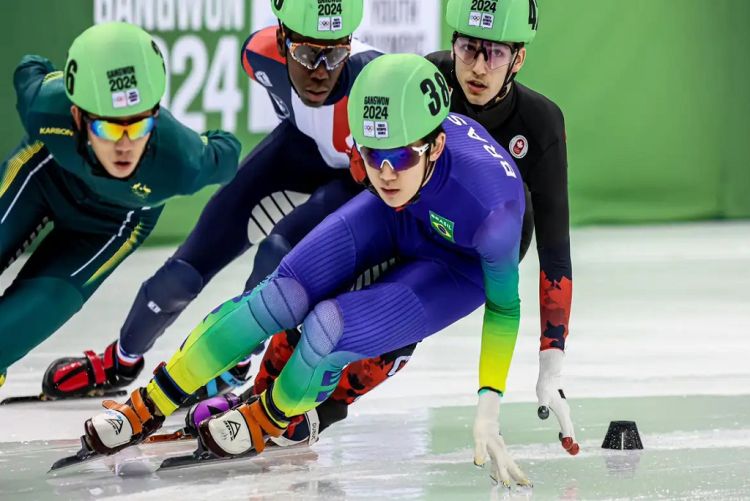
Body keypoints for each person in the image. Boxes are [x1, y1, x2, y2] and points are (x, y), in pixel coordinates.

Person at [81, 53, 533, 487]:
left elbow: (505, 310)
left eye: (399, 158)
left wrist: (488, 408)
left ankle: (267, 418)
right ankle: (145, 405)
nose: (386, 172)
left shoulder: (495, 213)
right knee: (278, 297)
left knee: (327, 327)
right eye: (373, 156)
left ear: (435, 145)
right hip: (401, 215)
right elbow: (390, 175)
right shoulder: (395, 169)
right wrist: (393, 165)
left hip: (459, 264)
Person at [198, 0, 579, 456]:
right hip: (407, 215)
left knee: (384, 331)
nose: (477, 67)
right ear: (452, 43)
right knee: (314, 288)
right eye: (467, 48)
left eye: (495, 53)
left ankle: (321, 411)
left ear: (519, 58)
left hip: (470, 253)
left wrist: (550, 363)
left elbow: (555, 252)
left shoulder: (539, 122)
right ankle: (259, 395)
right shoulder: (424, 78)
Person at [42, 0, 382, 400]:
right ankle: (122, 360)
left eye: (335, 54)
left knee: (276, 256)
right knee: (182, 272)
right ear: (282, 37)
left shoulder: (373, 82)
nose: (321, 73)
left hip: (353, 180)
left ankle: (233, 363)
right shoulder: (257, 56)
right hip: (298, 151)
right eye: (307, 54)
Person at [0, 22, 240, 392]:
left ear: (156, 115)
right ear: (78, 116)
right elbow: (30, 67)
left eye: (140, 125)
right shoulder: (47, 109)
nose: (125, 145)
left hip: (110, 225)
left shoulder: (181, 162)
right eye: (109, 129)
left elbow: (228, 150)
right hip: (43, 177)